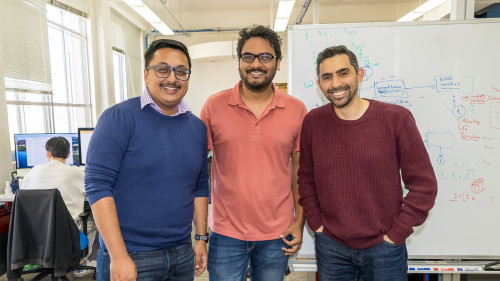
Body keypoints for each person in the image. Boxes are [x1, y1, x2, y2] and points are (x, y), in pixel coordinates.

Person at [298, 45, 438, 281]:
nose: (335, 84)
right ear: (319, 83)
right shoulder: (313, 123)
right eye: (327, 77)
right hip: (331, 247)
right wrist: (317, 225)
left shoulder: (396, 119)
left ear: (359, 74)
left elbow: (424, 185)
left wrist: (396, 233)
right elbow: (306, 179)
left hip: (384, 249)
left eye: (343, 73)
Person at [85, 39, 209, 281]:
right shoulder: (118, 118)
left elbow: (200, 185)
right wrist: (119, 257)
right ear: (146, 74)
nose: (172, 78)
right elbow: (97, 185)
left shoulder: (197, 127)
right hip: (132, 254)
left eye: (181, 71)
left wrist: (201, 238)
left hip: (182, 253)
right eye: (162, 69)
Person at [199, 25, 307, 281]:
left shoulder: (296, 110)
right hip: (226, 234)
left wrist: (299, 222)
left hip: (277, 234)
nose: (256, 64)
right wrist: (200, 234)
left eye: (265, 57)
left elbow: (300, 172)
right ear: (239, 62)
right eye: (248, 56)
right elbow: (195, 173)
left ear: (278, 63)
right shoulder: (214, 107)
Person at [20, 136, 97, 277]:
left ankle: (48, 261)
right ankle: (80, 262)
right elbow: (91, 190)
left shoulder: (34, 171)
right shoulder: (77, 172)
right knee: (93, 217)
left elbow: (22, 193)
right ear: (68, 154)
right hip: (67, 232)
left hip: (37, 232)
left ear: (48, 153)